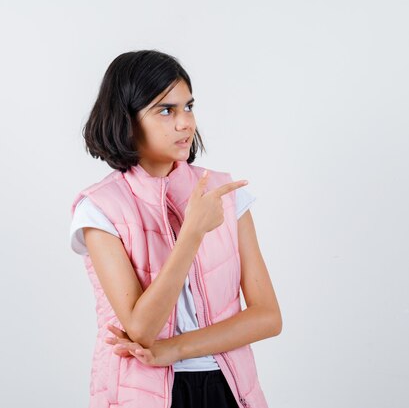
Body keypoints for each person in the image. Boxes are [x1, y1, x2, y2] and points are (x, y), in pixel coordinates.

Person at [69, 50, 282, 408]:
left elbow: (267, 317)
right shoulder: (99, 209)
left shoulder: (225, 194)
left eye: (188, 106)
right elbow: (140, 329)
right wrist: (192, 234)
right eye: (166, 110)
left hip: (230, 388)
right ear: (127, 120)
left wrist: (176, 348)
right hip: (144, 393)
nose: (186, 122)